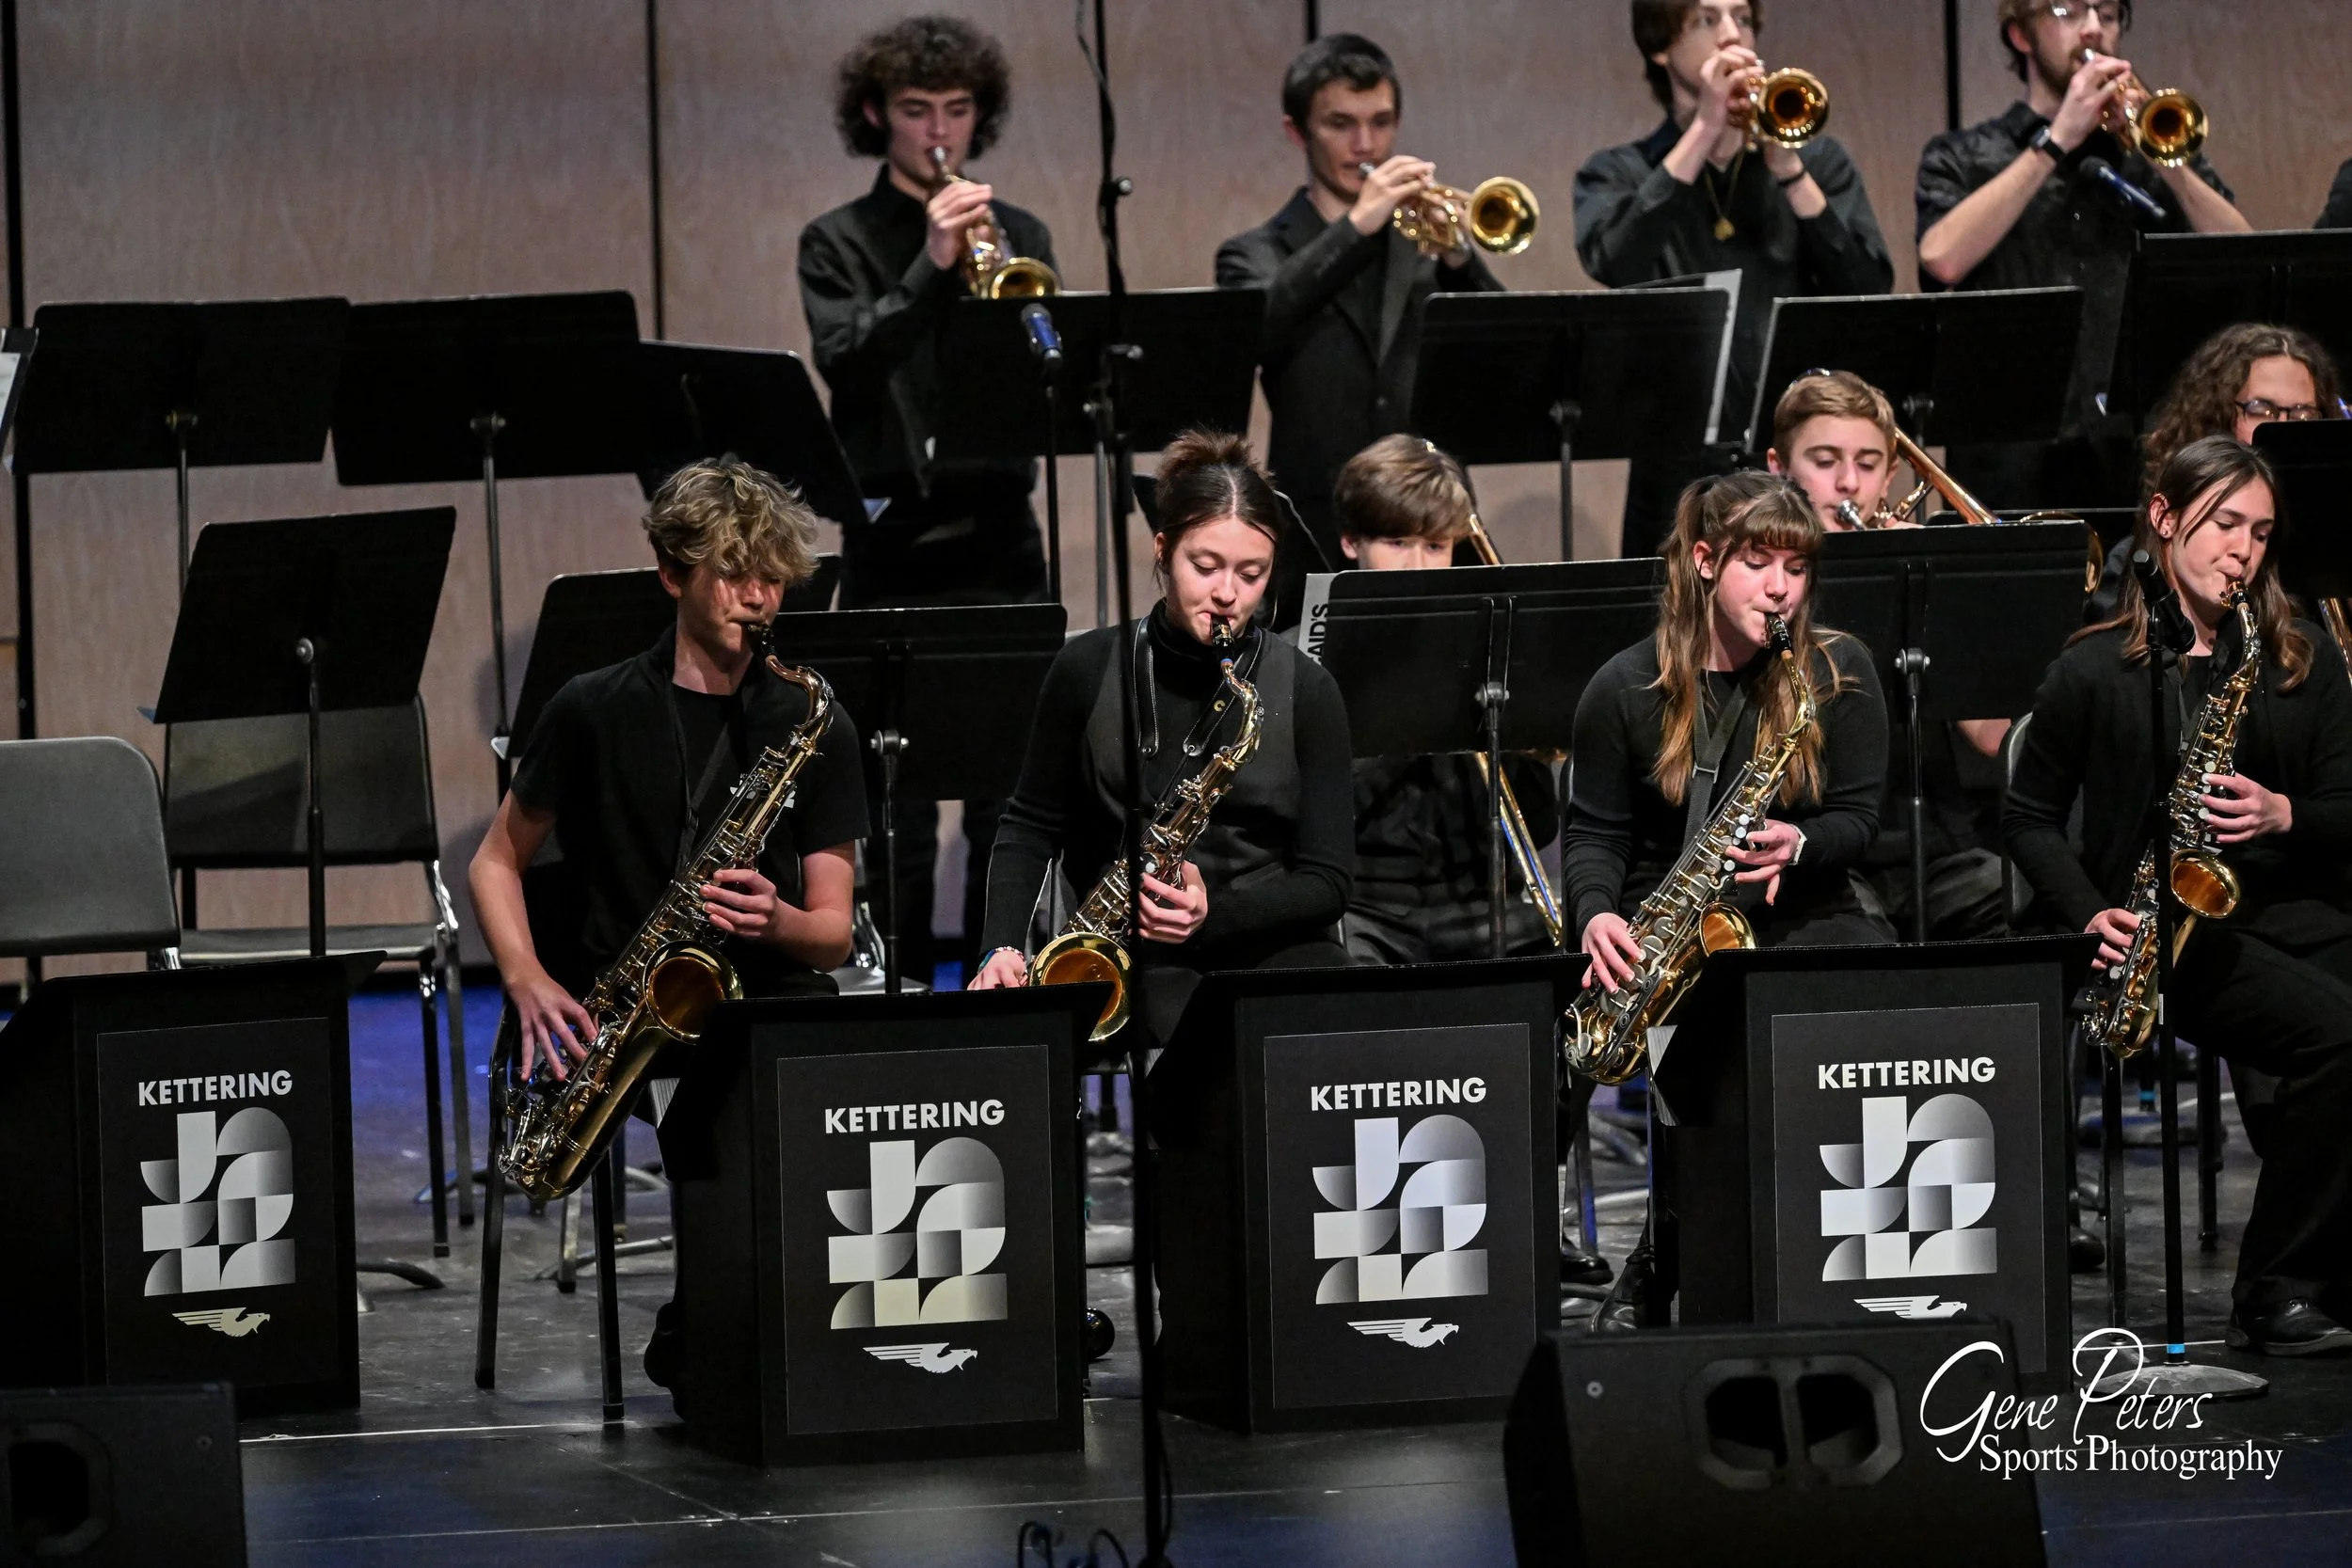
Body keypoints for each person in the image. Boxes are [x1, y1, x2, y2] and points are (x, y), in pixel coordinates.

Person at [2006, 436, 2352, 1354]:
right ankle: (2275, 1289)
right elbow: (2028, 816)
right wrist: (2090, 910)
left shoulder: (2298, 658)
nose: (2243, 550)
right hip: (2164, 936)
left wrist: (2283, 812)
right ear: (2163, 519)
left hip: (2295, 909)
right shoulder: (2092, 670)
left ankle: (2331, 1270)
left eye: (2261, 533)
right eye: (2225, 523)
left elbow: (2346, 806)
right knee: (2337, 1035)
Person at [1565, 469, 1894, 1328]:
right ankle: (1666, 1249)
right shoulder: (1625, 685)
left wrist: (1802, 841)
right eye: (1758, 562)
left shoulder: (1837, 670)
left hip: (1803, 903)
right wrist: (1597, 913)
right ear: (1706, 561)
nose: (1781, 587)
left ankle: (1830, 1244)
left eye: (1797, 566)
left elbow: (1862, 818)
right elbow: (1595, 832)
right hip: (1670, 911)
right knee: (1687, 1034)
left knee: (1856, 985)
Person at [470, 460, 870, 1085]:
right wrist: (525, 975)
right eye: (734, 573)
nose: (758, 598)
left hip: (766, 1004)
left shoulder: (815, 719)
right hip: (628, 1016)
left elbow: (832, 936)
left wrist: (778, 919)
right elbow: (495, 862)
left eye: (773, 577)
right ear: (672, 573)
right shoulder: (593, 707)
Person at [799, 14, 1053, 976]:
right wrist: (929, 265)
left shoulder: (1019, 234)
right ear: (876, 115)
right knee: (893, 805)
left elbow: (1045, 374)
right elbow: (847, 362)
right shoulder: (836, 240)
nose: (938, 131)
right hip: (892, 544)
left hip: (999, 541)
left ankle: (1002, 988)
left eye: (956, 109)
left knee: (1006, 800)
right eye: (916, 110)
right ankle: (898, 1001)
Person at [968, 432, 1355, 1044]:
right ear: (1163, 549)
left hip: (1271, 942)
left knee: (1325, 1016)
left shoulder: (1309, 689)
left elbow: (1328, 882)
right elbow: (1029, 824)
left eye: (1251, 574)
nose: (1227, 593)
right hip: (1134, 949)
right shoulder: (1085, 668)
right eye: (1205, 566)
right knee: (1195, 1041)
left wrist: (1211, 915)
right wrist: (1001, 947)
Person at [1575, 0, 1893, 556]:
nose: (1732, 36)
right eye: (1707, 19)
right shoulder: (1618, 172)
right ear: (1659, 47)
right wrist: (1705, 128)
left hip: (1793, 463)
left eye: (1742, 19)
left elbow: (1867, 285)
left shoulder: (1816, 163)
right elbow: (1615, 263)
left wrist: (1790, 171)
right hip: (1674, 469)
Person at [1915, 0, 2249, 511]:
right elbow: (1941, 258)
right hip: (2011, 462)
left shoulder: (2149, 158)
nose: (2093, 28)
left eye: (2108, 14)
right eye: (2067, 11)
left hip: (2142, 456)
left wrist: (2168, 163)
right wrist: (2056, 142)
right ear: (2020, 35)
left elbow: (2242, 257)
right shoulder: (1961, 155)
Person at [1216, 33, 1504, 614]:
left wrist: (1460, 258)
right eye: (1341, 124)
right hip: (1321, 528)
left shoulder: (1425, 243)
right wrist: (1356, 227)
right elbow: (1255, 331)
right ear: (1297, 132)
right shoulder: (1253, 254)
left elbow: (1500, 348)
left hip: (1430, 523)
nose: (1365, 144)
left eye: (1381, 122)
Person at [1763, 372, 2009, 940]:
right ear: (1779, 468)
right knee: (1859, 948)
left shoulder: (1923, 572)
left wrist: (1941, 596)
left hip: (1938, 851)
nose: (1849, 483)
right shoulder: (1762, 583)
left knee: (2030, 912)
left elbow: (1994, 737)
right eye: (1825, 461)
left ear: (1892, 473)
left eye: (1868, 464)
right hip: (1822, 854)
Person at [1329, 436, 1561, 965]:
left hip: (1484, 904)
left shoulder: (1486, 650)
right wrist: (1419, 710)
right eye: (1396, 542)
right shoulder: (1313, 655)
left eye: (1436, 546)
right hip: (1368, 911)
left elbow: (1541, 826)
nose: (1419, 567)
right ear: (1350, 541)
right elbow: (1317, 824)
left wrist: (1515, 726)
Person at [2086, 323, 2344, 622]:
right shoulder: (2141, 563)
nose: (2285, 428)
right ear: (2216, 418)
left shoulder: (2331, 554)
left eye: (2303, 414)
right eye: (2262, 409)